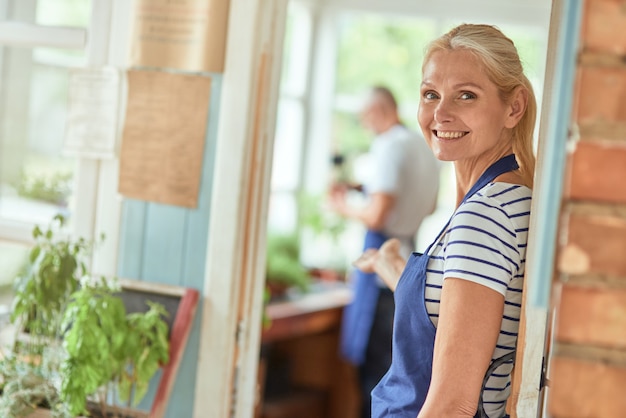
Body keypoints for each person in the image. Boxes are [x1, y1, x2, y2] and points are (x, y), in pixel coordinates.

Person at [353, 24, 536, 418]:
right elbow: (452, 309)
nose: (440, 113)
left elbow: (454, 405)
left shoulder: (486, 216)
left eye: (466, 95)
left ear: (513, 108)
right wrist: (390, 265)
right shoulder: (510, 197)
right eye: (430, 94)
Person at [328, 86, 440, 418]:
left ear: (378, 110)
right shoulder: (422, 145)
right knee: (395, 368)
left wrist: (342, 205)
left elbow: (377, 215)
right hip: (410, 262)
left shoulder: (388, 146)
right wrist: (363, 189)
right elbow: (425, 204)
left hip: (381, 269)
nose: (365, 124)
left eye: (365, 117)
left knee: (373, 371)